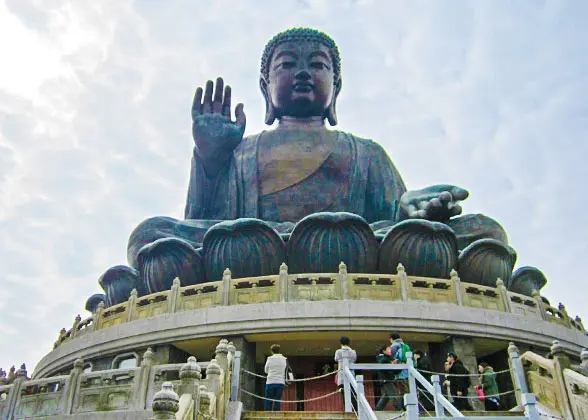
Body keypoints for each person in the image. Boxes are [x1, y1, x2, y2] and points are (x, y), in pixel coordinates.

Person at [122, 27, 510, 296]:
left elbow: (396, 223)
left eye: (319, 65)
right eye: (288, 64)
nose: (304, 72)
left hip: (352, 245)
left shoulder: (365, 151)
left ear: (335, 87)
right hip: (256, 250)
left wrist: (409, 214)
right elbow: (205, 222)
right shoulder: (241, 152)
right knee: (150, 234)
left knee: (487, 231)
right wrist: (210, 159)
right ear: (266, 88)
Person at [334, 336, 357, 411]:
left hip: (341, 374)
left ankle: (348, 409)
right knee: (352, 393)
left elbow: (336, 359)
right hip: (351, 374)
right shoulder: (353, 352)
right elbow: (354, 359)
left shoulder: (338, 351)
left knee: (344, 394)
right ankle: (355, 409)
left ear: (341, 343)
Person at [389, 332, 410, 410]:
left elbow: (392, 358)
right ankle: (407, 407)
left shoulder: (394, 346)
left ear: (391, 339)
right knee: (406, 390)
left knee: (402, 391)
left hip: (399, 372)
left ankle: (403, 408)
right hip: (407, 371)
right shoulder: (405, 345)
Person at [264, 344, 288, 411]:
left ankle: (267, 414)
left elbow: (265, 370)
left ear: (272, 351)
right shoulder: (284, 359)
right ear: (279, 350)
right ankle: (276, 413)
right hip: (280, 382)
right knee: (278, 399)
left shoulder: (270, 359)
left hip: (270, 381)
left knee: (268, 399)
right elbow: (285, 369)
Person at [375, 346, 396, 411]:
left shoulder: (387, 358)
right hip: (386, 379)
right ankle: (399, 408)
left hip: (387, 378)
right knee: (393, 395)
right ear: (384, 351)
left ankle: (378, 409)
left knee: (386, 396)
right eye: (388, 349)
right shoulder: (382, 358)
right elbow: (386, 369)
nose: (390, 351)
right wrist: (392, 364)